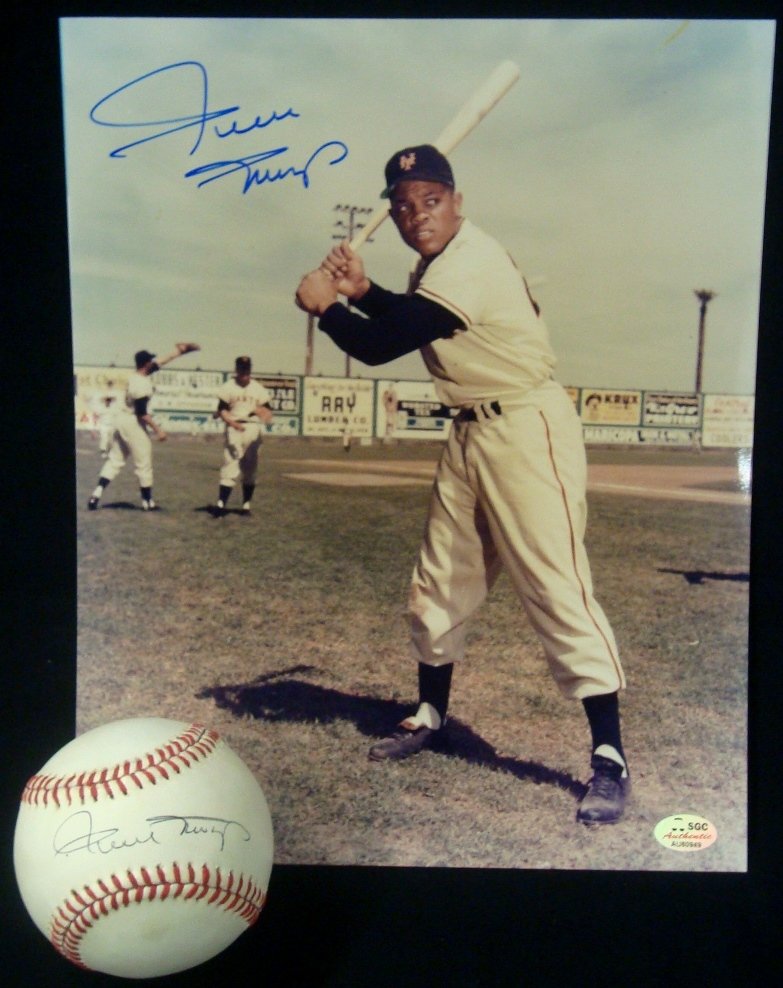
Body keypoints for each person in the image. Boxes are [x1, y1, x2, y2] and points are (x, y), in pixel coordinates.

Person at [295, 144, 629, 825]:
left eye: (431, 200)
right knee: (440, 579)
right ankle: (429, 715)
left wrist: (325, 309)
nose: (416, 214)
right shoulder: (439, 265)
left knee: (556, 586)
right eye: (402, 205)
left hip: (525, 427)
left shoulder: (472, 259)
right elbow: (408, 318)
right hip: (471, 429)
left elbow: (381, 345)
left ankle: (610, 759)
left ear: (457, 202)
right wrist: (363, 292)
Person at [87, 343, 200, 512]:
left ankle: (96, 494)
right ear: (146, 364)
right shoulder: (140, 384)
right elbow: (142, 413)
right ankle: (148, 502)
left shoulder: (136, 376)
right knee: (144, 462)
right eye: (150, 361)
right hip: (134, 422)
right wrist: (158, 430)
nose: (153, 362)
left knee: (115, 460)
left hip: (122, 420)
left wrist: (179, 352)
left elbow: (160, 362)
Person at [212, 356, 274, 516]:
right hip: (234, 427)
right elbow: (221, 410)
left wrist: (262, 413)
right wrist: (233, 424)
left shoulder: (258, 388)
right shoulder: (228, 387)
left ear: (250, 369)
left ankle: (246, 505)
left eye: (247, 368)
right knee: (230, 463)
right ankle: (221, 504)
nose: (245, 371)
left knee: (250, 467)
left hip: (253, 427)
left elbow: (268, 411)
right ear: (237, 369)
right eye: (242, 368)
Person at [89, 379, 122, 456]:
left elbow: (119, 417)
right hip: (103, 425)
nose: (107, 401)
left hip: (112, 425)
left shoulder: (114, 408)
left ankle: (110, 451)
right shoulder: (101, 408)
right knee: (104, 438)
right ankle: (103, 451)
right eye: (106, 400)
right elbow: (95, 417)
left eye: (109, 400)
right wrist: (93, 429)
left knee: (111, 440)